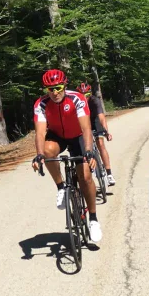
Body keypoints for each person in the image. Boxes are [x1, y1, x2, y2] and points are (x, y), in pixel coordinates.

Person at [31, 69, 102, 243]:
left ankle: (93, 219)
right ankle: (61, 187)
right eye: (50, 89)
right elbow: (40, 133)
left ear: (65, 85)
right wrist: (39, 155)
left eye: (58, 87)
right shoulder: (41, 104)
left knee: (85, 177)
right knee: (47, 151)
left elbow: (86, 129)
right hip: (58, 137)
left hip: (78, 136)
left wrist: (88, 151)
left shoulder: (77, 98)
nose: (55, 92)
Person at [77, 82, 116, 186]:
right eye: (82, 95)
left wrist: (106, 131)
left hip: (94, 122)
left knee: (101, 144)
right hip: (83, 123)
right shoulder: (76, 102)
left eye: (87, 95)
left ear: (90, 94)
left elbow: (102, 117)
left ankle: (109, 174)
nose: (85, 98)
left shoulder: (95, 101)